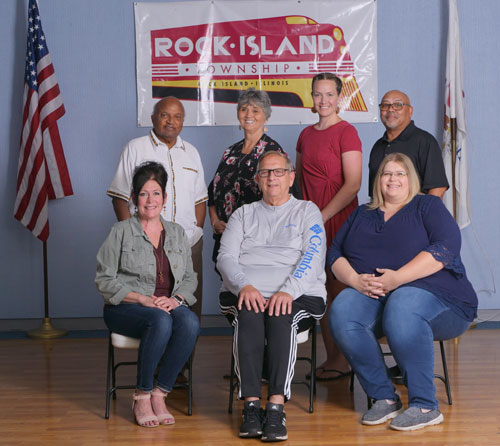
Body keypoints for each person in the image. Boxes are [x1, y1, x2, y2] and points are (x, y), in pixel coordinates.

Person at [328, 153, 477, 431]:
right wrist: (354, 280)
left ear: (411, 179)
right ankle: (384, 397)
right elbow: (334, 252)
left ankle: (424, 405)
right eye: (387, 173)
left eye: (400, 173)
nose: (393, 179)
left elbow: (446, 246)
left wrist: (397, 279)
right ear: (378, 179)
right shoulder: (362, 213)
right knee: (342, 310)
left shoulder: (427, 205)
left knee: (403, 303)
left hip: (440, 299)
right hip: (374, 295)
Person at [217, 151, 326, 442]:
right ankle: (251, 406)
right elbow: (225, 257)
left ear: (291, 177)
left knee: (280, 317)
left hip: (298, 294)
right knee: (250, 316)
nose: (272, 177)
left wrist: (287, 291)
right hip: (247, 292)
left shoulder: (307, 211)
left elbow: (314, 257)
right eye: (265, 172)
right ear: (257, 180)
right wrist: (244, 286)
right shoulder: (243, 214)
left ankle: (276, 407)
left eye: (278, 172)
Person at [96, 162, 200, 428]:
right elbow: (104, 280)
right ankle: (142, 395)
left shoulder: (176, 233)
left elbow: (190, 278)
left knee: (189, 322)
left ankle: (160, 393)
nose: (150, 200)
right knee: (160, 320)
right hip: (126, 307)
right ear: (133, 198)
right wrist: (143, 299)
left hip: (167, 305)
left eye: (156, 193)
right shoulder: (119, 232)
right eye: (143, 193)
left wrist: (176, 300)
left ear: (165, 198)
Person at [107, 97, 207, 320]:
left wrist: (196, 231)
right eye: (164, 115)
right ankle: (154, 353)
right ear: (153, 118)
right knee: (151, 311)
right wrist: (132, 235)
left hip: (188, 244)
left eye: (177, 116)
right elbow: (119, 197)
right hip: (146, 244)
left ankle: (185, 356)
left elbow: (200, 200)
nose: (171, 121)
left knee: (189, 310)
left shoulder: (191, 152)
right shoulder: (135, 148)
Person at [295, 72, 362, 381]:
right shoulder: (305, 135)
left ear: (339, 98)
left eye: (329, 95)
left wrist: (322, 216)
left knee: (339, 291)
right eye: (318, 94)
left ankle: (345, 359)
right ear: (312, 97)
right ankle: (332, 357)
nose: (323, 100)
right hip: (311, 223)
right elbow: (297, 184)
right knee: (319, 292)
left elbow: (353, 184)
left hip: (339, 221)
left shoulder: (347, 132)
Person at [208, 88, 287, 266]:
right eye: (244, 109)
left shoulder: (273, 151)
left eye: (255, 110)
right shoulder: (230, 152)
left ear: (265, 116)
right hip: (226, 240)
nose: (248, 114)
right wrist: (214, 222)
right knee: (229, 290)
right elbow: (212, 193)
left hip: (259, 244)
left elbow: (283, 200)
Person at [368, 90, 449, 198]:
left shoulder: (425, 141)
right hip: (382, 214)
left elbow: (438, 188)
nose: (390, 109)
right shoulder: (377, 146)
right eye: (385, 105)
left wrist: (422, 215)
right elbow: (375, 194)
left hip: (415, 214)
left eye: (398, 105)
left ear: (410, 111)